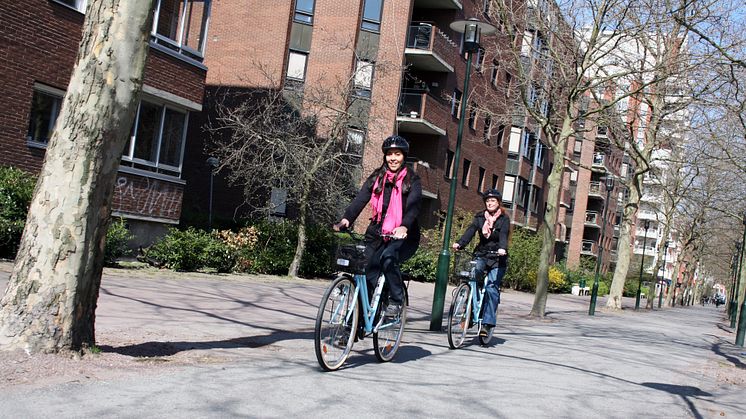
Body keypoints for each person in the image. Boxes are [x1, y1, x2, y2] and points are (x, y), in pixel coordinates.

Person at [334, 135, 422, 318]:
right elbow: (361, 198)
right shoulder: (377, 177)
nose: (393, 158)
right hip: (377, 231)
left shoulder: (412, 179)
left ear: (403, 156)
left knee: (388, 258)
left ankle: (396, 300)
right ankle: (355, 324)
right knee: (364, 270)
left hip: (404, 236)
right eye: (390, 154)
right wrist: (346, 219)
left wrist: (404, 226)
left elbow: (414, 206)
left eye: (397, 154)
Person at [452, 189, 510, 336]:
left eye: (493, 201)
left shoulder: (504, 219)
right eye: (488, 201)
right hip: (482, 254)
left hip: (497, 257)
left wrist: (502, 248)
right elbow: (471, 231)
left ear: (498, 203)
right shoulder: (479, 217)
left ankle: (487, 324)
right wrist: (460, 243)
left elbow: (503, 235)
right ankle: (470, 313)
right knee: (473, 278)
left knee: (491, 287)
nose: (490, 203)